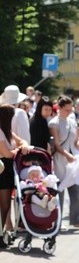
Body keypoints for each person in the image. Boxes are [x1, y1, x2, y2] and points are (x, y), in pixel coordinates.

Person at [48, 96, 79, 229]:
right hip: (60, 159)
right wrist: (67, 155)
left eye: (71, 109)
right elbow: (56, 145)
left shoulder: (72, 122)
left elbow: (75, 141)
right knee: (59, 191)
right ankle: (57, 222)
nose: (69, 111)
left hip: (72, 161)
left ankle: (77, 220)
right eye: (66, 109)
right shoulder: (54, 123)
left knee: (76, 190)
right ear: (59, 108)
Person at [0, 104, 31, 246]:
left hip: (8, 168)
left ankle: (2, 231)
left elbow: (21, 140)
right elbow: (6, 153)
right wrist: (20, 149)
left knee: (6, 204)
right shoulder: (0, 131)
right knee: (4, 204)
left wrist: (23, 145)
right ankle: (1, 232)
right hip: (3, 168)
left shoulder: (7, 130)